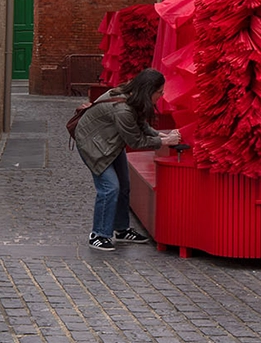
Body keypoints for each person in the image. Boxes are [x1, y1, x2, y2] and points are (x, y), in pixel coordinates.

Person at [71, 67, 181, 251]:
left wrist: (161, 136)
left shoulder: (132, 98)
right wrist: (163, 140)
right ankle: (98, 234)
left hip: (110, 142)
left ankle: (121, 230)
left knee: (124, 185)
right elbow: (136, 141)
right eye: (159, 92)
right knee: (110, 188)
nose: (161, 96)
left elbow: (140, 125)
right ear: (148, 91)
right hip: (93, 145)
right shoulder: (122, 109)